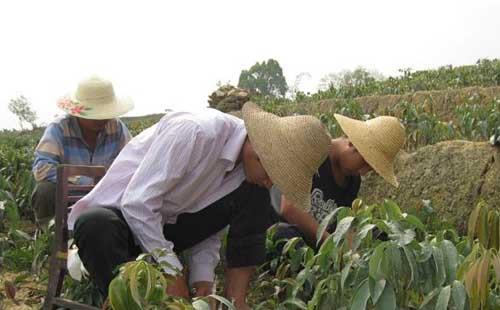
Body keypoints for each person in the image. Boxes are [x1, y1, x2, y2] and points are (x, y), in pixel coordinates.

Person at [67, 102, 332, 309]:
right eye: (275, 174)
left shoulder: (244, 174)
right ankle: (125, 302)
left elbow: (206, 222)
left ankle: (232, 301)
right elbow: (137, 203)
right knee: (95, 224)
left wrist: (202, 280)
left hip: (163, 229)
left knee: (254, 196)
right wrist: (171, 271)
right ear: (259, 151)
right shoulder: (196, 132)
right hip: (123, 219)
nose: (270, 183)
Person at [270, 113, 406, 248]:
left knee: (376, 234)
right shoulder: (314, 149)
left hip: (317, 243)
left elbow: (342, 223)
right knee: (285, 236)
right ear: (353, 144)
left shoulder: (352, 181)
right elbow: (289, 208)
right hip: (280, 230)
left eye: (370, 169)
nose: (363, 172)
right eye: (365, 162)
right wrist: (331, 245)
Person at [31, 76, 133, 226]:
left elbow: (133, 162)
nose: (101, 118)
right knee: (44, 191)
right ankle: (50, 236)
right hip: (69, 192)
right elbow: (42, 168)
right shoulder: (59, 128)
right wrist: (84, 181)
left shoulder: (116, 128)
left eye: (104, 113)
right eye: (95, 114)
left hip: (106, 194)